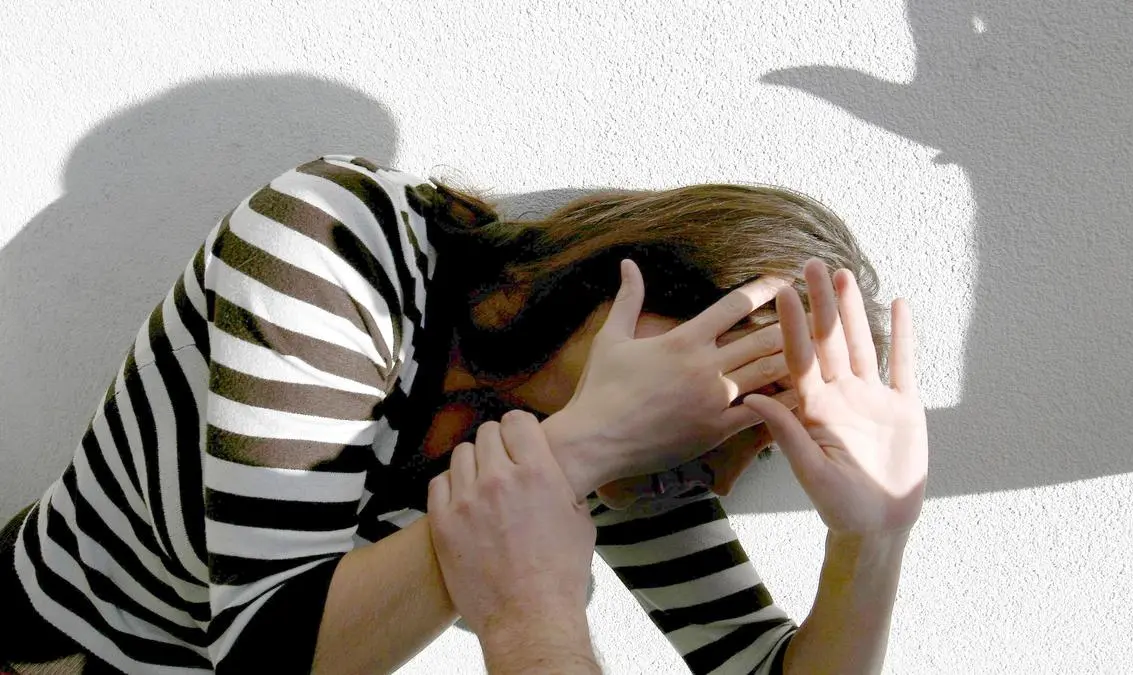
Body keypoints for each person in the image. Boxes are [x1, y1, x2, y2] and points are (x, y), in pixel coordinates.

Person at [0, 154, 893, 674]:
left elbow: (754, 663)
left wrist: (875, 536)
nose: (719, 473)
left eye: (758, 441)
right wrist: (586, 444)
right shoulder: (338, 240)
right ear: (645, 281)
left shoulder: (634, 448)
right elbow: (262, 651)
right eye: (734, 396)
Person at [429, 257, 927, 674]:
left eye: (771, 439)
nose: (725, 483)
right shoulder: (391, 276)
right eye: (744, 394)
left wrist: (874, 541)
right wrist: (530, 622)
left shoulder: (633, 487)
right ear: (633, 293)